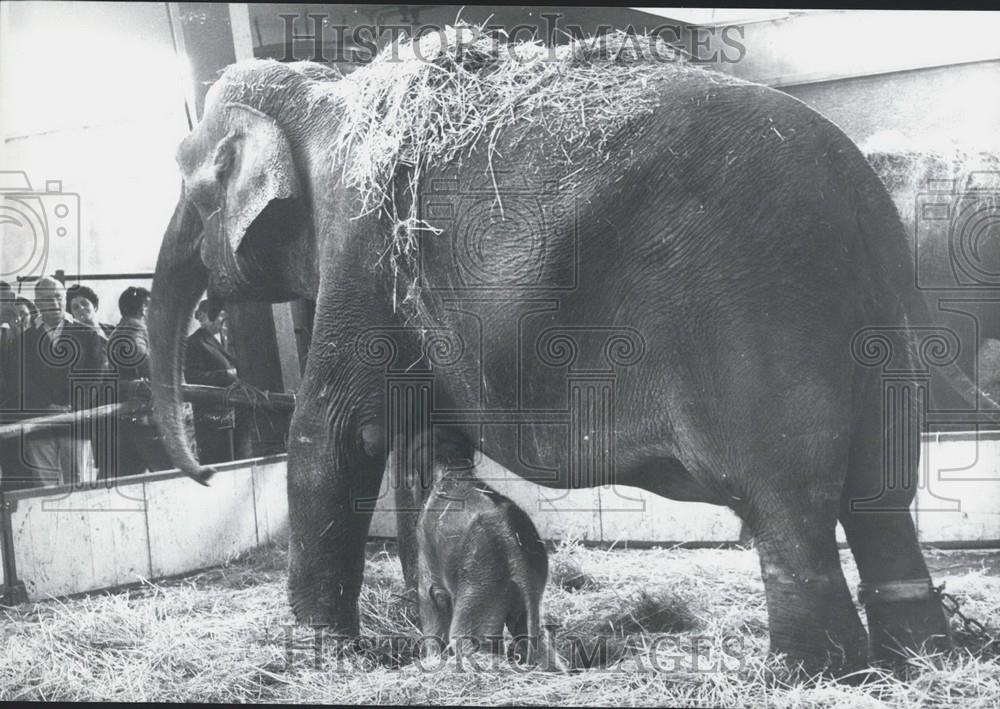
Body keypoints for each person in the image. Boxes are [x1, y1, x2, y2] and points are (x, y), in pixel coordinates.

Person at [7, 276, 108, 487]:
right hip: (39, 425)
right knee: (46, 487)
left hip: (75, 422)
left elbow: (95, 378)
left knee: (79, 485)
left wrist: (72, 407)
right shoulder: (23, 341)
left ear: (64, 299)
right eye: (46, 299)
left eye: (57, 297)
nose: (53, 303)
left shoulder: (88, 335)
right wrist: (46, 407)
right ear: (37, 303)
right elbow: (19, 381)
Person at [104, 286, 175, 478]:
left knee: (126, 479)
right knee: (171, 478)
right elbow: (154, 371)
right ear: (144, 308)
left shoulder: (120, 333)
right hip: (146, 421)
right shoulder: (134, 335)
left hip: (127, 421)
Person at [185, 299, 238, 464]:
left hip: (234, 410)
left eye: (222, 315)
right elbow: (194, 378)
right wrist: (228, 375)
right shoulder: (194, 342)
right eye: (215, 315)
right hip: (212, 415)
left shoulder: (230, 338)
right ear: (201, 317)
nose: (221, 319)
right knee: (219, 463)